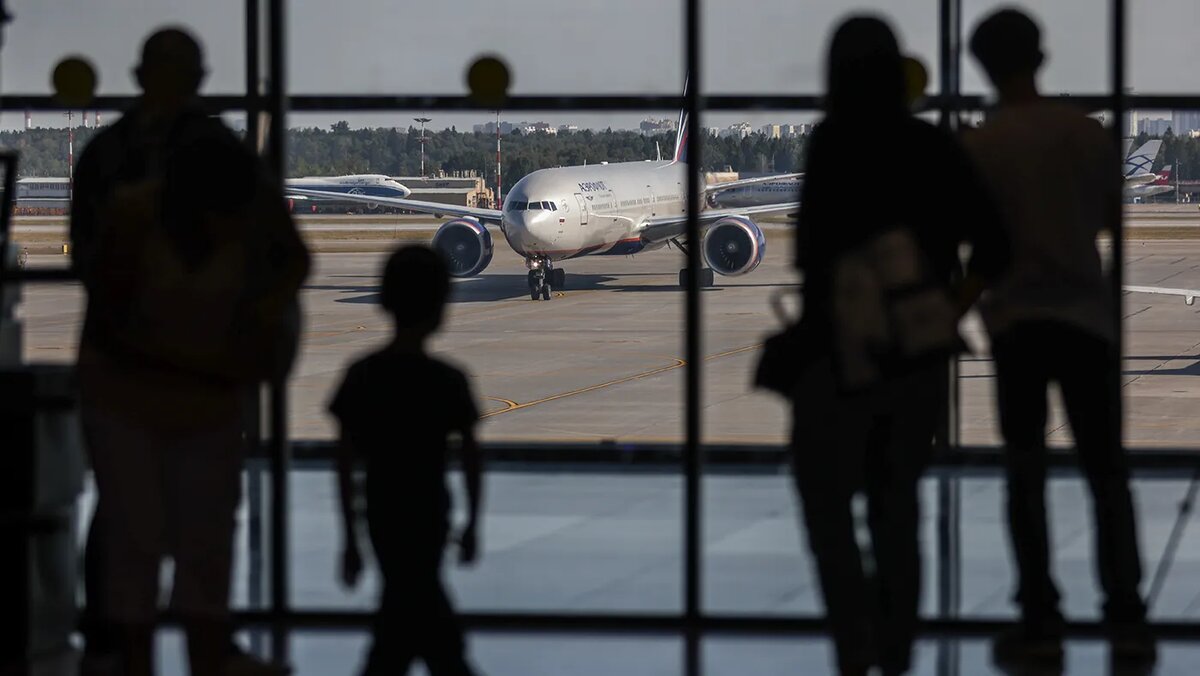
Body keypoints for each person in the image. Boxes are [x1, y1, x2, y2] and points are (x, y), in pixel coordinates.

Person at [72, 27, 309, 676]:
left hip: (134, 379)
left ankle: (134, 656)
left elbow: (91, 271)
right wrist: (248, 332)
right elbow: (288, 258)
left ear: (137, 73)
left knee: (134, 539)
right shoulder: (220, 155)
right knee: (197, 538)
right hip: (195, 383)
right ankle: (204, 653)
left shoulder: (105, 155)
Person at [790, 16, 1008, 676]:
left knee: (826, 509)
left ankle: (852, 641)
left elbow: (811, 258)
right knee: (898, 513)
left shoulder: (830, 143)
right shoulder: (930, 147)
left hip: (838, 354)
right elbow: (994, 244)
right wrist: (947, 307)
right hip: (915, 361)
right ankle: (897, 650)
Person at [964, 8, 1155, 669]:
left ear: (982, 66)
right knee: (1108, 476)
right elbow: (1106, 217)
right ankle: (1127, 617)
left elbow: (979, 246)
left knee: (1026, 478)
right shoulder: (1085, 134)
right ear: (1041, 57)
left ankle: (1040, 618)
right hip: (1087, 322)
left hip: (1018, 326)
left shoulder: (983, 145)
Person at [331, 245, 483, 676]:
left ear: (383, 302)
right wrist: (472, 523)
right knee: (425, 622)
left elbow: (343, 464)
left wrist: (348, 538)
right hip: (431, 515)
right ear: (441, 308)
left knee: (401, 616)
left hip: (382, 516)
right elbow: (472, 459)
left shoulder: (362, 374)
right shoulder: (448, 380)